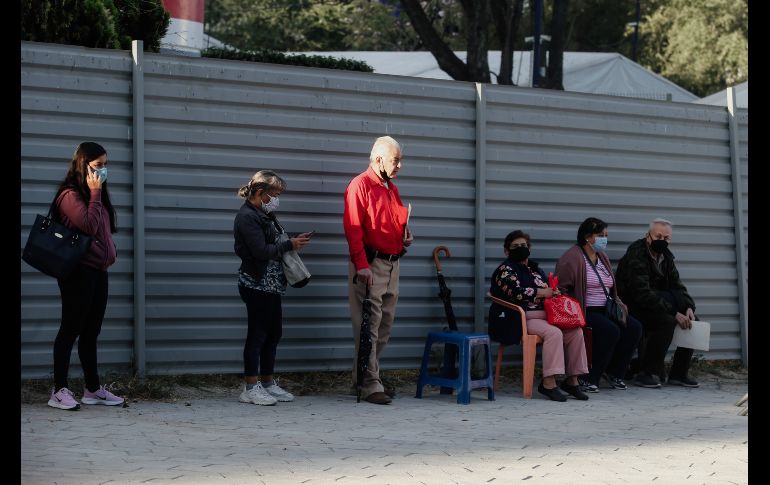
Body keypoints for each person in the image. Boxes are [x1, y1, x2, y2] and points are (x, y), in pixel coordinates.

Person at [48, 142, 123, 410]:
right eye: (98, 165)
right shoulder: (70, 195)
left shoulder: (96, 195)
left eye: (106, 164)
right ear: (84, 165)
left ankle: (92, 389)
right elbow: (89, 226)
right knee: (70, 330)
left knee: (91, 332)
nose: (103, 170)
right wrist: (94, 193)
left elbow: (103, 230)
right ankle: (58, 390)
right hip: (77, 272)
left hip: (98, 271)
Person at [343, 136, 413, 405]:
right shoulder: (360, 185)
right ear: (379, 158)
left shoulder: (390, 187)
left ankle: (365, 378)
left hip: (392, 262)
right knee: (368, 327)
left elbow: (391, 222)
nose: (400, 166)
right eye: (396, 160)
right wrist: (361, 265)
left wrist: (404, 237)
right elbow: (353, 228)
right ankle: (370, 383)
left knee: (384, 326)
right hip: (371, 264)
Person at [233, 170, 312, 405]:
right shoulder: (247, 217)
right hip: (256, 284)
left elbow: (274, 242)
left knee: (273, 333)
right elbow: (260, 251)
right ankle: (250, 386)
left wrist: (293, 240)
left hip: (272, 285)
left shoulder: (265, 214)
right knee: (257, 334)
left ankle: (267, 382)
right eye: (274, 195)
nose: (276, 200)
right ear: (259, 193)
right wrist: (290, 244)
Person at [489, 230, 589, 402]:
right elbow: (515, 293)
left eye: (524, 245)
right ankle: (548, 383)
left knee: (576, 332)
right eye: (515, 246)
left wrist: (554, 292)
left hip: (548, 316)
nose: (521, 248)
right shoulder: (504, 271)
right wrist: (542, 292)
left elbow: (548, 291)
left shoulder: (535, 270)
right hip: (523, 317)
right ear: (506, 251)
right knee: (554, 333)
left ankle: (572, 380)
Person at [555, 217, 642, 393]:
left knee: (634, 327)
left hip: (606, 307)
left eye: (606, 235)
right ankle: (587, 377)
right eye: (600, 235)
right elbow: (560, 288)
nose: (604, 239)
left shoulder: (602, 256)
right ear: (587, 237)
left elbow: (610, 285)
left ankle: (615, 372)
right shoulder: (572, 257)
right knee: (610, 330)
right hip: (585, 310)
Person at [615, 218, 700, 388]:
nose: (662, 241)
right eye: (658, 236)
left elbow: (678, 285)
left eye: (666, 238)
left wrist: (689, 306)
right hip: (633, 304)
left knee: (693, 320)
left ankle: (678, 374)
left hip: (656, 303)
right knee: (666, 321)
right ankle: (647, 372)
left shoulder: (666, 257)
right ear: (648, 236)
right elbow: (641, 293)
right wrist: (674, 312)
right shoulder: (636, 253)